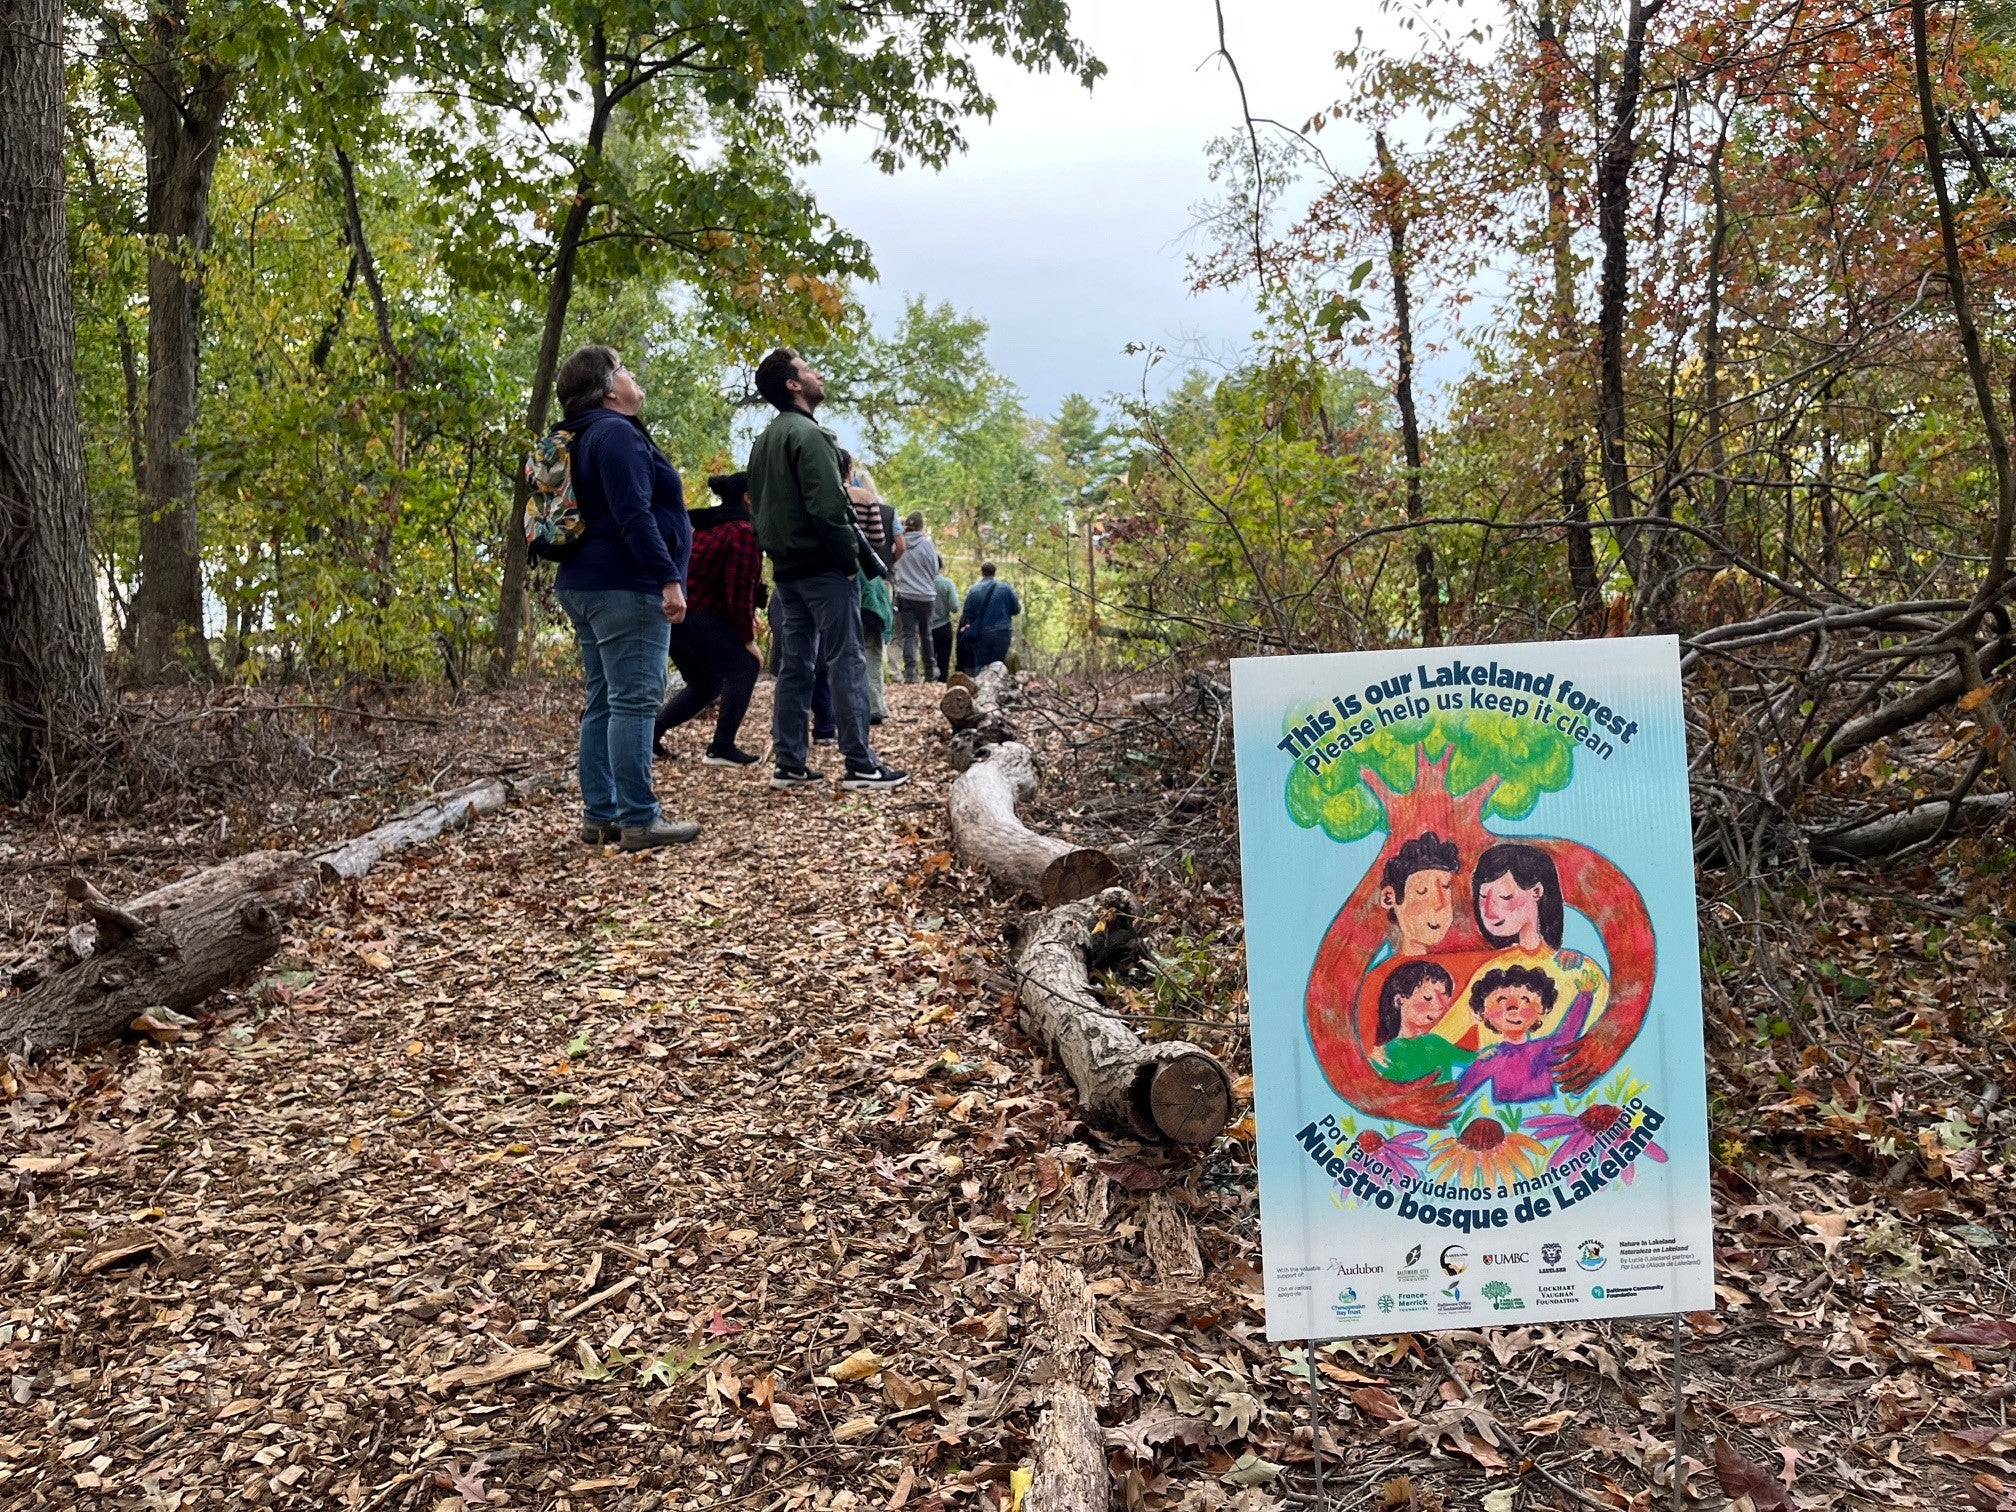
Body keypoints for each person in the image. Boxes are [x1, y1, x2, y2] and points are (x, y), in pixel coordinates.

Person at [548, 345, 700, 852]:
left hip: (584, 583)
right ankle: (639, 818)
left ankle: (602, 814)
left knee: (604, 700)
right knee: (634, 700)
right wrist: (668, 577)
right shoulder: (615, 433)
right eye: (624, 369)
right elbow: (636, 515)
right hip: (625, 585)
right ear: (610, 389)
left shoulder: (581, 434)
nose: (633, 376)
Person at [746, 348, 908, 792]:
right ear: (793, 385)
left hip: (787, 573)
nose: (817, 373)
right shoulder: (812, 437)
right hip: (823, 570)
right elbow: (829, 509)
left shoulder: (763, 441)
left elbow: (758, 509)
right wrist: (846, 562)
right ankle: (860, 764)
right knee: (846, 660)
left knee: (796, 667)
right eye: (807, 369)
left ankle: (790, 763)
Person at [652, 472, 762, 766]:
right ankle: (722, 747)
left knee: (706, 682)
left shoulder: (706, 528)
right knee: (745, 667)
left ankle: (652, 734)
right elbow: (737, 589)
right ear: (748, 498)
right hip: (698, 617)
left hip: (676, 618)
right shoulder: (742, 531)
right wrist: (747, 639)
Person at [1455, 968, 1596, 1104]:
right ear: (1483, 1012)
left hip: (1545, 1113)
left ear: (1543, 1009)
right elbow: (1459, 1094)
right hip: (1508, 1121)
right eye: (1501, 1000)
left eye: (1525, 999)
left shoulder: (1544, 1049)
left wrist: (1585, 996)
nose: (1513, 1007)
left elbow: (1568, 1033)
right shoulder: (1491, 1057)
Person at [840, 452, 898, 724]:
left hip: (837, 579)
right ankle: (875, 705)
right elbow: (881, 541)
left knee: (843, 648)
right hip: (872, 580)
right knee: (872, 647)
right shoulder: (876, 505)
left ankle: (846, 708)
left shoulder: (822, 498)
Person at [1373, 959, 1472, 1084]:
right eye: (1427, 998)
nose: (1439, 1006)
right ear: (1399, 1000)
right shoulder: (1384, 1054)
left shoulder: (1436, 1043)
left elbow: (1472, 1059)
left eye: (1444, 999)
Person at [890, 511, 943, 682]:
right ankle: (929, 671)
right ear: (921, 526)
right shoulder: (927, 544)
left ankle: (910, 673)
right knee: (926, 633)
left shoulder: (899, 543)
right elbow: (935, 569)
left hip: (905, 594)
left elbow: (894, 564)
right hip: (926, 596)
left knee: (908, 634)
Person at [957, 561, 1021, 671]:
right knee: (998, 666)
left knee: (980, 665)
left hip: (982, 633)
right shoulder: (1006, 588)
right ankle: (995, 686)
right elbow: (1016, 609)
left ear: (982, 573)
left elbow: (967, 613)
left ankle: (979, 687)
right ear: (994, 573)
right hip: (1003, 632)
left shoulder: (974, 590)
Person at [931, 570, 959, 685]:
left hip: (925, 627)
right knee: (943, 660)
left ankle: (930, 683)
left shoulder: (921, 583)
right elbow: (955, 607)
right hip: (943, 627)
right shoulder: (947, 583)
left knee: (929, 659)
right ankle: (942, 685)